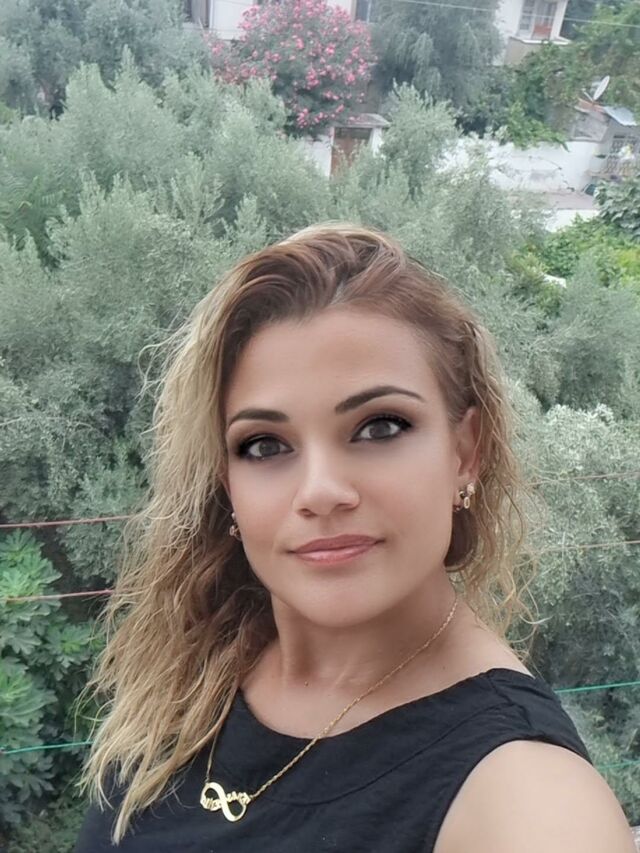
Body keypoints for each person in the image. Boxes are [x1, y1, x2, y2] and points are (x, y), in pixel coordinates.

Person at [74, 223, 635, 852]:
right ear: (225, 484)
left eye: (379, 427)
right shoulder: (195, 668)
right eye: (264, 445)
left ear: (465, 452)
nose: (320, 491)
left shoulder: (528, 800)